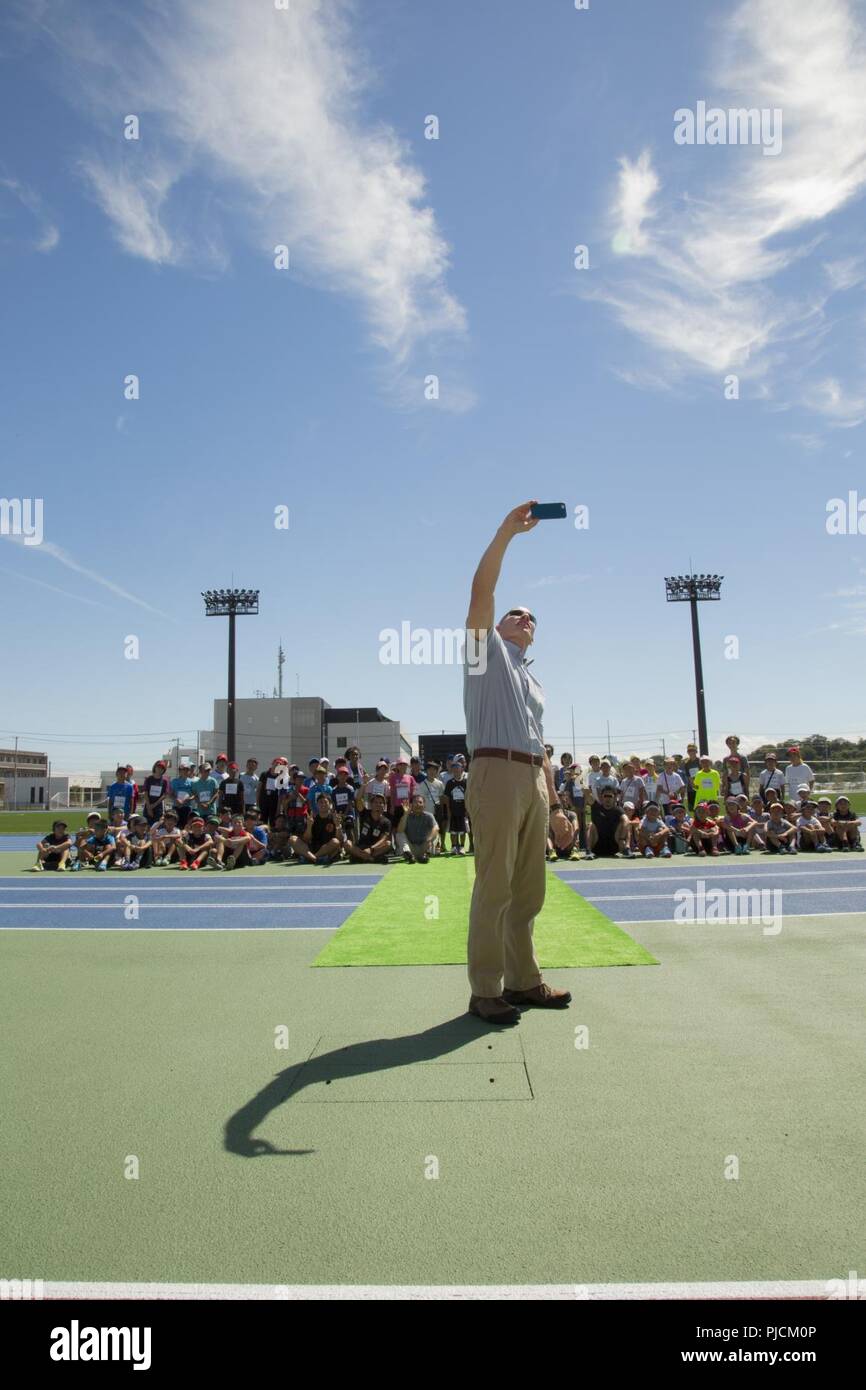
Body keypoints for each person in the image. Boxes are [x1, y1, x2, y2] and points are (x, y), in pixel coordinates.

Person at [462, 503, 575, 1023]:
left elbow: (543, 748)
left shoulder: (535, 681)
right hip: (495, 771)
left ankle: (524, 980)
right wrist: (507, 531)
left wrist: (555, 806)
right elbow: (481, 593)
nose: (525, 618)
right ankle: (485, 989)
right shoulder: (484, 656)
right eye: (517, 612)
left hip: (531, 776)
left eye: (532, 617)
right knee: (495, 885)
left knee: (529, 889)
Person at [294, 793, 344, 866]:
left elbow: (340, 840)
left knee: (335, 842)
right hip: (313, 848)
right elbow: (306, 840)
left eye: (325, 802)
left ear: (330, 804)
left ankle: (312, 858)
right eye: (320, 802)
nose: (323, 804)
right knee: (293, 839)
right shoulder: (312, 819)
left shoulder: (335, 818)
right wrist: (309, 826)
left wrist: (337, 825)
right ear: (317, 804)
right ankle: (313, 858)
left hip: (328, 848)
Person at [586, 785, 632, 859]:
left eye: (610, 796)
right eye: (605, 796)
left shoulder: (618, 810)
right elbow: (587, 793)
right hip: (596, 846)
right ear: (601, 797)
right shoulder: (596, 807)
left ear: (614, 797)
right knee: (590, 825)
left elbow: (626, 821)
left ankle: (626, 849)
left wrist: (621, 839)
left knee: (627, 824)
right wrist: (580, 781)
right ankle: (588, 851)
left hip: (614, 847)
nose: (607, 798)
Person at [346, 795, 392, 863]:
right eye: (375, 802)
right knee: (347, 843)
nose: (378, 804)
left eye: (381, 803)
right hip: (361, 847)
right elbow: (358, 798)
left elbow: (383, 839)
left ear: (384, 806)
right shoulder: (364, 813)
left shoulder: (386, 822)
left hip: (375, 848)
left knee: (388, 843)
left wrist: (371, 849)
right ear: (371, 804)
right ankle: (371, 859)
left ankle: (360, 857)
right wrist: (364, 785)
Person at [402, 794, 439, 862]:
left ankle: (425, 855)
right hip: (411, 848)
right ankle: (409, 856)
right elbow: (399, 830)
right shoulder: (407, 816)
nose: (418, 804)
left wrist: (429, 839)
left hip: (425, 846)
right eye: (415, 802)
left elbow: (436, 828)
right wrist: (406, 814)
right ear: (411, 805)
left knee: (435, 833)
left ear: (424, 805)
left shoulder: (429, 815)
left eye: (420, 802)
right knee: (399, 835)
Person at [141, 761, 170, 826]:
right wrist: (149, 807)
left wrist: (154, 805)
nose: (160, 769)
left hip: (158, 807)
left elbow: (165, 794)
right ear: (155, 767)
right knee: (146, 825)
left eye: (162, 768)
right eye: (158, 767)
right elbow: (145, 792)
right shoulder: (149, 779)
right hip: (148, 805)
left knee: (157, 825)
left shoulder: (165, 781)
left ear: (164, 770)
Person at [170, 760, 196, 828]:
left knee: (186, 826)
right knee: (175, 826)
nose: (185, 771)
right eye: (183, 769)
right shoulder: (174, 781)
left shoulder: (192, 782)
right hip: (176, 807)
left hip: (187, 807)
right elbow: (171, 794)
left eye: (187, 769)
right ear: (179, 771)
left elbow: (194, 795)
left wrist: (189, 799)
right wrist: (176, 799)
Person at [681, 744, 702, 810]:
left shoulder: (700, 761)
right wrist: (693, 785)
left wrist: (699, 785)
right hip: (691, 788)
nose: (691, 752)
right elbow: (688, 776)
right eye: (689, 750)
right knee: (693, 808)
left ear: (696, 751)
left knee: (702, 806)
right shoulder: (687, 763)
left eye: (692, 750)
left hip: (701, 787)